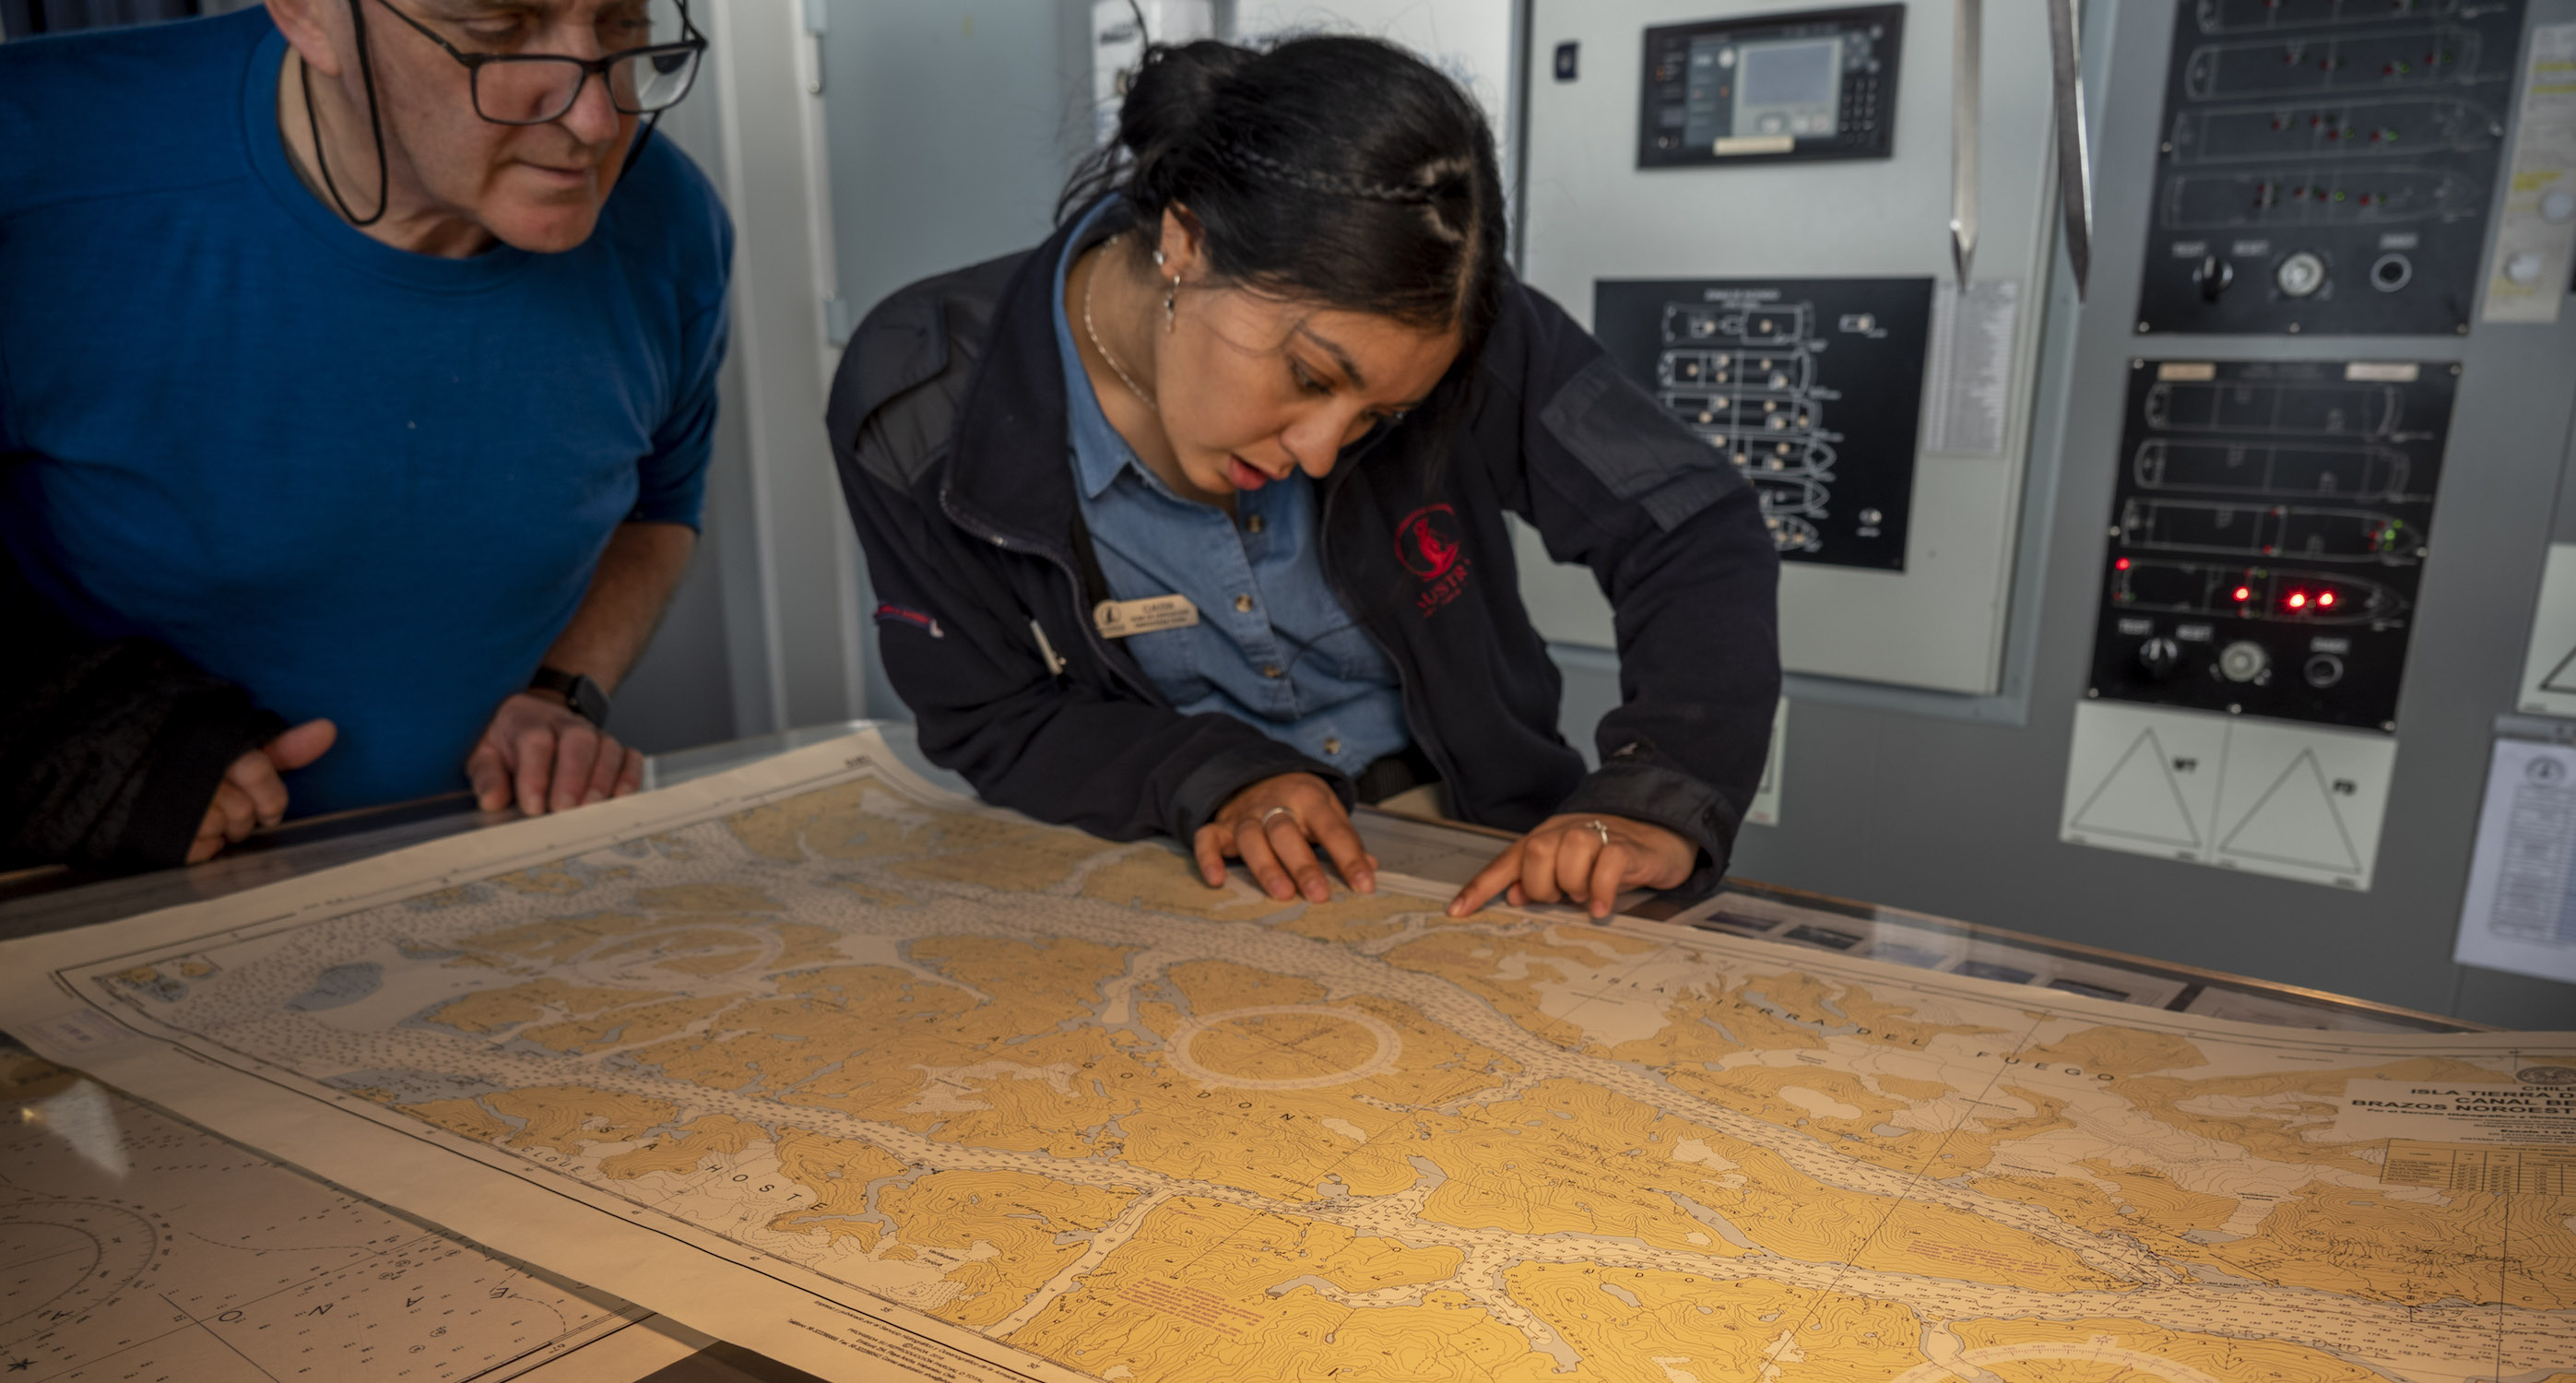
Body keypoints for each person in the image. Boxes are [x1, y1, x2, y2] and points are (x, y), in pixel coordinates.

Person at [828, 35, 1780, 919]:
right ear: (1186, 243)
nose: (1323, 453)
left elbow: (1688, 524)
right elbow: (991, 718)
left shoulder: (1457, 324)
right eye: (1311, 377)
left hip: (1470, 834)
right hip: (1170, 851)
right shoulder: (918, 404)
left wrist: (1662, 788)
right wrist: (1215, 777)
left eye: (1380, 417)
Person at [0, 0, 733, 871]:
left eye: (620, 22)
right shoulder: (36, 153)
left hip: (468, 881)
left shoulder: (672, 221)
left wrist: (561, 693)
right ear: (311, 16)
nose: (594, 120)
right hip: (92, 903)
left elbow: (658, 504)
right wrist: (80, 756)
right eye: (497, 30)